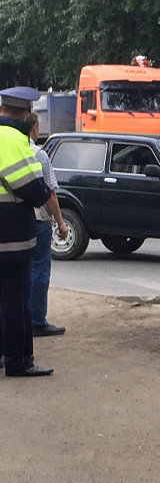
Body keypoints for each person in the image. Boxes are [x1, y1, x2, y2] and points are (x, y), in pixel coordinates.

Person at [0, 86, 54, 377]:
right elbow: (33, 189)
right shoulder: (12, 138)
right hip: (10, 235)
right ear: (22, 114)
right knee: (16, 300)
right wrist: (42, 190)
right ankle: (18, 361)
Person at [25, 113, 69, 336]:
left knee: (17, 271)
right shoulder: (39, 155)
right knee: (39, 269)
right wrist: (61, 223)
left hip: (16, 219)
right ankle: (37, 320)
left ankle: (20, 318)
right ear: (34, 128)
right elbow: (51, 193)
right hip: (40, 220)